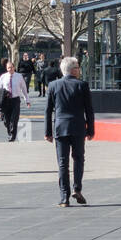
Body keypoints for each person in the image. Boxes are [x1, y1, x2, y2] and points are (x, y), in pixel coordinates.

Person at [45, 55, 96, 207]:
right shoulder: (82, 85)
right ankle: (77, 188)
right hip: (78, 127)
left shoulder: (53, 85)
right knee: (79, 158)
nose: (79, 70)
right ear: (73, 70)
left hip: (60, 127)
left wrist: (48, 131)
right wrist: (91, 129)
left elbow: (48, 111)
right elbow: (89, 110)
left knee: (62, 163)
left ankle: (64, 197)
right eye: (78, 67)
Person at [0, 58, 28, 142]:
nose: (10, 69)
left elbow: (24, 88)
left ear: (14, 67)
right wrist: (2, 92)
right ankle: (10, 132)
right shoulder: (3, 76)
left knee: (14, 119)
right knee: (7, 120)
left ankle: (12, 136)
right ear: (6, 68)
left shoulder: (19, 76)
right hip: (6, 100)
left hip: (15, 100)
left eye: (11, 67)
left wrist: (27, 100)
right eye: (8, 68)